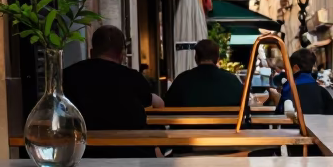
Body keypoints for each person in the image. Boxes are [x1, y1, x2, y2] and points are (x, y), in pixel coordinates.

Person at [63, 25, 155, 157]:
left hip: (81, 153)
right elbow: (149, 101)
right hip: (133, 153)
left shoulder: (67, 75)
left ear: (91, 52)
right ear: (121, 55)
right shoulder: (133, 77)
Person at [165, 38, 244, 107]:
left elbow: (168, 103)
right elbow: (243, 103)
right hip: (225, 124)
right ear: (217, 58)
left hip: (190, 124)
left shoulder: (181, 80)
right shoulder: (232, 80)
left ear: (196, 57)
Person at [275, 49, 333, 116]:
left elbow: (279, 114)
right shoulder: (322, 92)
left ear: (296, 67)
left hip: (294, 126)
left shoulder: (288, 89)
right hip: (318, 125)